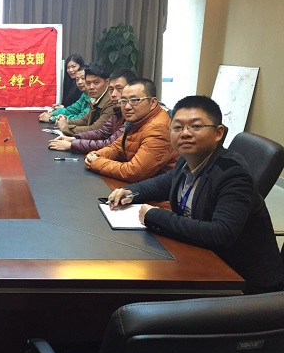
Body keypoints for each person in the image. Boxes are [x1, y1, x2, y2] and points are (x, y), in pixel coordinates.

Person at [108, 96, 284, 294]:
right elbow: (164, 183)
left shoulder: (233, 174)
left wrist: (154, 215)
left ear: (218, 133)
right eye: (177, 127)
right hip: (204, 255)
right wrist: (131, 192)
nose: (185, 133)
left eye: (196, 127)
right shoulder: (188, 159)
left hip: (242, 281)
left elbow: (220, 233)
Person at [84, 78, 178, 182]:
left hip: (158, 190)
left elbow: (135, 172)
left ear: (153, 102)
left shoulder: (158, 128)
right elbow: (117, 148)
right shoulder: (139, 120)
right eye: (123, 101)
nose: (127, 107)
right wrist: (96, 155)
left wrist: (96, 162)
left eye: (135, 100)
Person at [49, 69, 137, 152]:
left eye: (119, 89)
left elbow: (110, 143)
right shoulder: (117, 110)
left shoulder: (128, 114)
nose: (113, 94)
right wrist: (74, 138)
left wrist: (72, 143)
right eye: (111, 89)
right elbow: (101, 132)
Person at [56, 63, 113, 135]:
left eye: (96, 82)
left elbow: (95, 129)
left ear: (107, 82)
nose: (91, 87)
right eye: (88, 83)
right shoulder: (95, 98)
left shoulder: (111, 101)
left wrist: (65, 128)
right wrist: (65, 121)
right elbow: (84, 120)